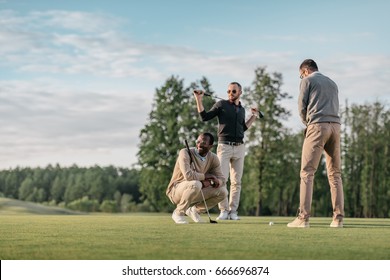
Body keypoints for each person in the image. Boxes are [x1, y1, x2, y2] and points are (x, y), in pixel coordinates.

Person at [287, 59, 344, 228]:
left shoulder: (307, 80)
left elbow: (301, 107)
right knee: (335, 174)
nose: (301, 78)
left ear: (305, 71)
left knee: (307, 172)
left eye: (300, 75)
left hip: (318, 126)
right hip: (336, 128)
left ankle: (303, 218)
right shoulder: (332, 83)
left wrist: (308, 124)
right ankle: (338, 219)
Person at [193, 82, 258, 220]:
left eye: (233, 91)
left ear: (240, 92)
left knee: (237, 182)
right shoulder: (221, 105)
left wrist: (254, 116)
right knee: (222, 180)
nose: (230, 94)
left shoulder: (242, 109)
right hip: (225, 146)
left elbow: (242, 129)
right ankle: (223, 210)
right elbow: (204, 117)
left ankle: (233, 212)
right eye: (228, 91)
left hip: (240, 147)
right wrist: (199, 100)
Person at [166, 132, 227, 224]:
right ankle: (178, 213)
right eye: (198, 142)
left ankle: (194, 211)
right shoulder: (185, 152)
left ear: (210, 146)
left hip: (195, 189)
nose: (199, 145)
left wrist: (214, 182)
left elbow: (222, 179)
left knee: (223, 192)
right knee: (196, 184)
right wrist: (206, 177)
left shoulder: (213, 158)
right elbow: (188, 175)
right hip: (176, 190)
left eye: (203, 143)